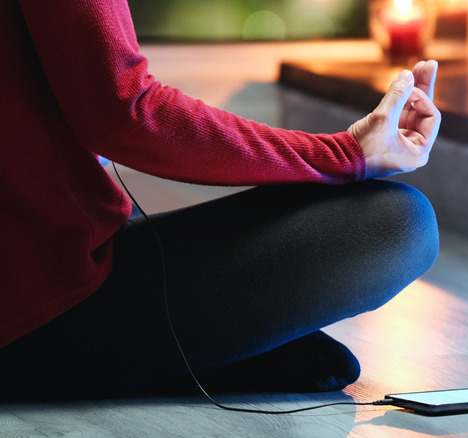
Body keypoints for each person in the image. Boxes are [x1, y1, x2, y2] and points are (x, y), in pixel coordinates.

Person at [0, 0, 441, 399]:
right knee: (399, 222)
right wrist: (346, 154)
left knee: (318, 357)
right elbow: (124, 111)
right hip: (28, 308)